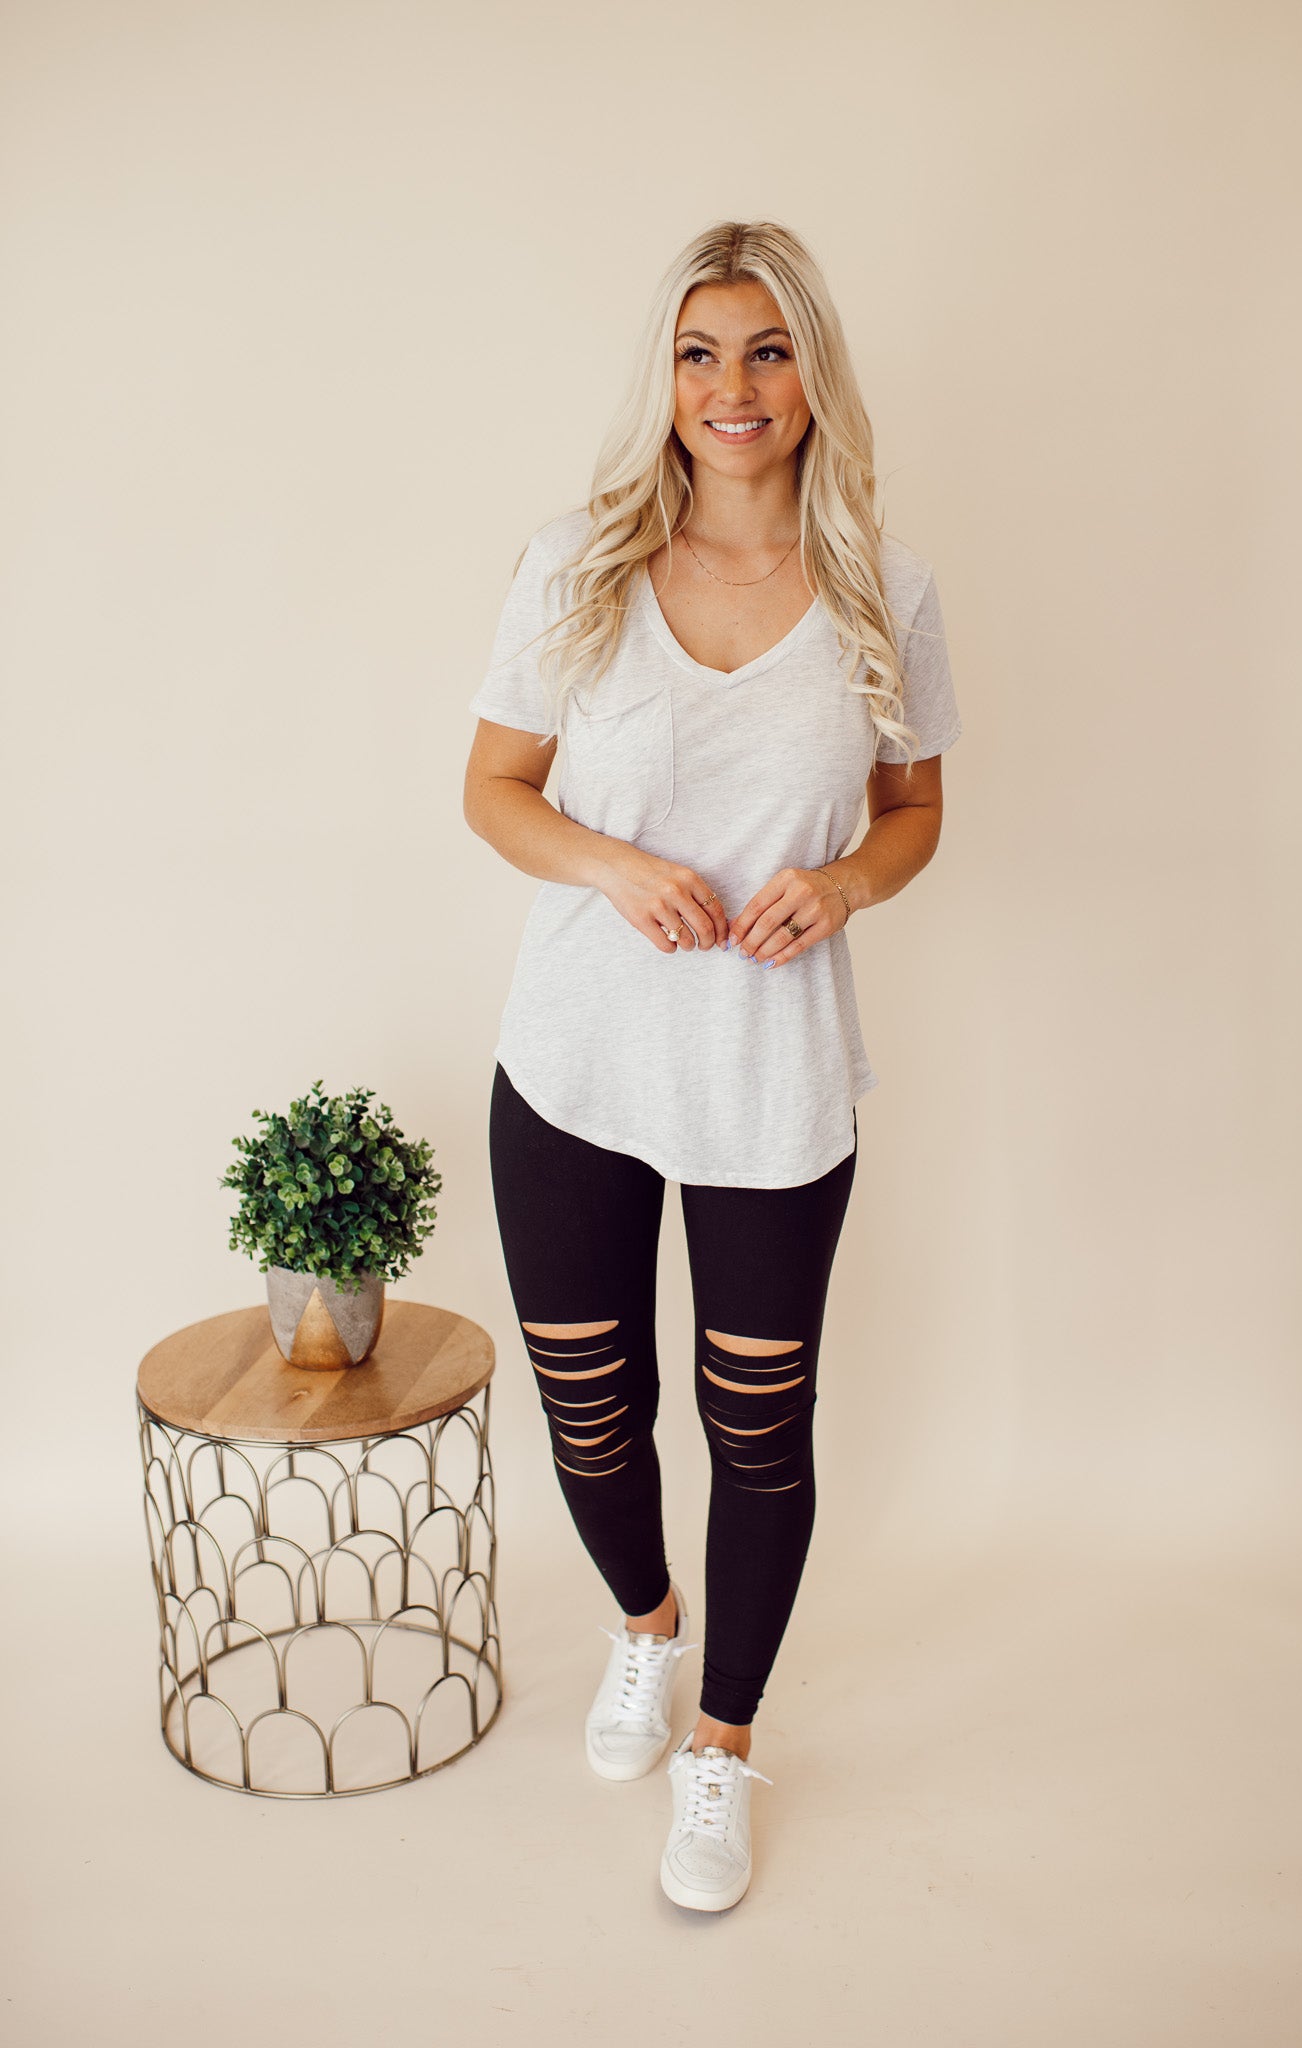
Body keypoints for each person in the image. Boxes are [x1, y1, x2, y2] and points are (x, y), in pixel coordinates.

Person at [463, 219, 961, 1912]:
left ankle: (723, 1747)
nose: (731, 387)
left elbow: (915, 811)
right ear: (664, 379)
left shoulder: (888, 591)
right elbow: (492, 789)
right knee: (592, 1407)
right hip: (576, 1063)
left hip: (769, 1075)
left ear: (812, 372)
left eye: (766, 349)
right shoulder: (577, 567)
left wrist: (848, 884)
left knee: (758, 1429)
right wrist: (613, 864)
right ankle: (645, 1631)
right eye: (699, 352)